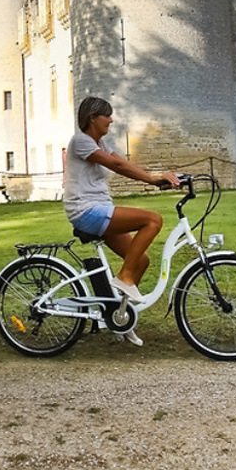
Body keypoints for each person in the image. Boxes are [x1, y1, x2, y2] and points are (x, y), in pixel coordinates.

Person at [64, 96, 179, 346]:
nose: (111, 119)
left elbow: (123, 162)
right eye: (107, 115)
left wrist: (161, 177)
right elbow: (115, 165)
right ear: (93, 118)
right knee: (153, 221)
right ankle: (124, 278)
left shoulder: (100, 143)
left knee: (142, 261)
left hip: (100, 210)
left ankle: (120, 318)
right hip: (86, 211)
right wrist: (152, 179)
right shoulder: (81, 141)